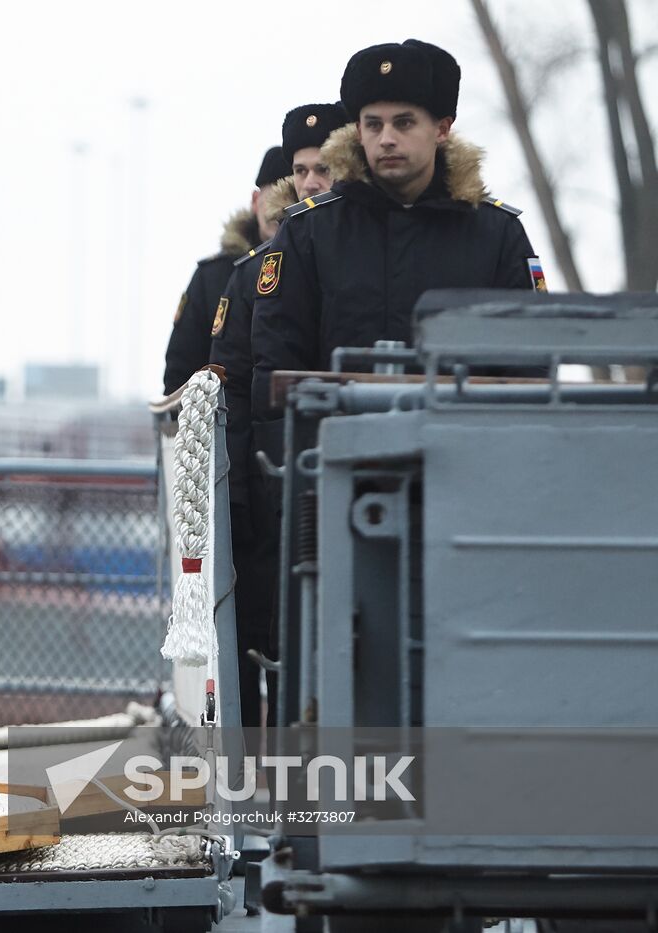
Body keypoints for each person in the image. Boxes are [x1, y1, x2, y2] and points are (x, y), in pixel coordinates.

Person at [251, 40, 542, 429]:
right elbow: (276, 367)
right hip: (338, 465)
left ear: (441, 129)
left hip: (465, 464)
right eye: (374, 124)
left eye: (403, 123)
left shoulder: (497, 234)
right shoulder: (309, 232)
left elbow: (528, 365)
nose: (387, 138)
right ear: (358, 130)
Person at [209, 102, 349, 731]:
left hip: (351, 477)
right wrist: (237, 498)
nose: (314, 181)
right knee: (271, 638)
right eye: (302, 171)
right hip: (275, 489)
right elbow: (229, 392)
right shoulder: (250, 276)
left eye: (325, 168)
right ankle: (269, 792)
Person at [162, 147, 289, 394]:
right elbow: (180, 370)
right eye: (273, 198)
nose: (279, 209)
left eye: (289, 198)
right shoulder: (214, 276)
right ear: (255, 201)